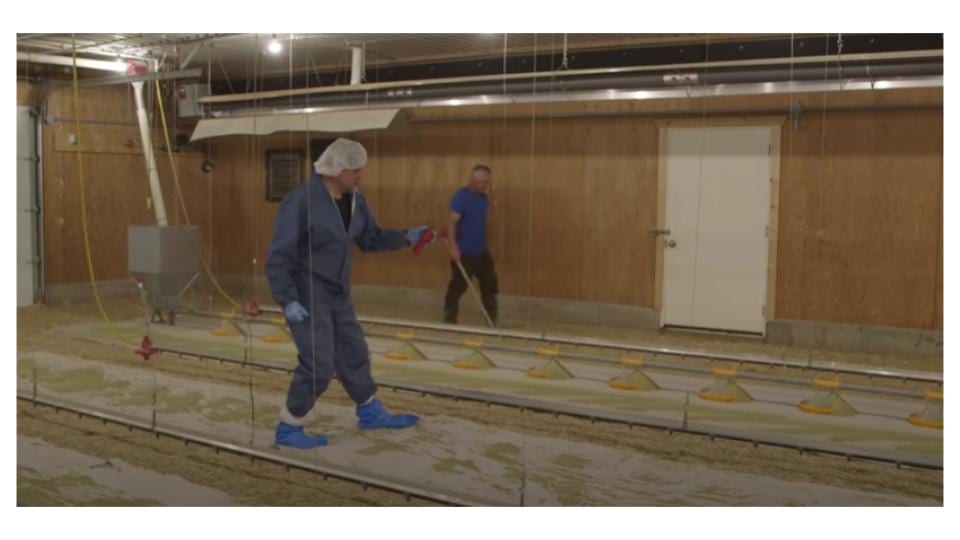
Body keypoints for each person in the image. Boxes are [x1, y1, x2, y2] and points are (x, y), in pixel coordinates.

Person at [266, 138, 431, 449]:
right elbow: (279, 255)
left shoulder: (356, 201)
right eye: (356, 171)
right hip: (307, 293)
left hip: (338, 291)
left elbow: (370, 238)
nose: (361, 177)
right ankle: (290, 425)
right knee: (319, 363)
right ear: (337, 170)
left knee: (353, 351)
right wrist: (287, 298)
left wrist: (406, 237)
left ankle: (370, 411)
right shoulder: (301, 201)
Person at [443, 164, 498, 326]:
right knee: (457, 287)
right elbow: (452, 224)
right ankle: (449, 318)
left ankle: (492, 321)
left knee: (490, 284)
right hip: (464, 252)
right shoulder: (461, 197)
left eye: (485, 183)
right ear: (472, 180)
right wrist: (453, 246)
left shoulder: (484, 199)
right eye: (480, 182)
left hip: (481, 252)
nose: (482, 185)